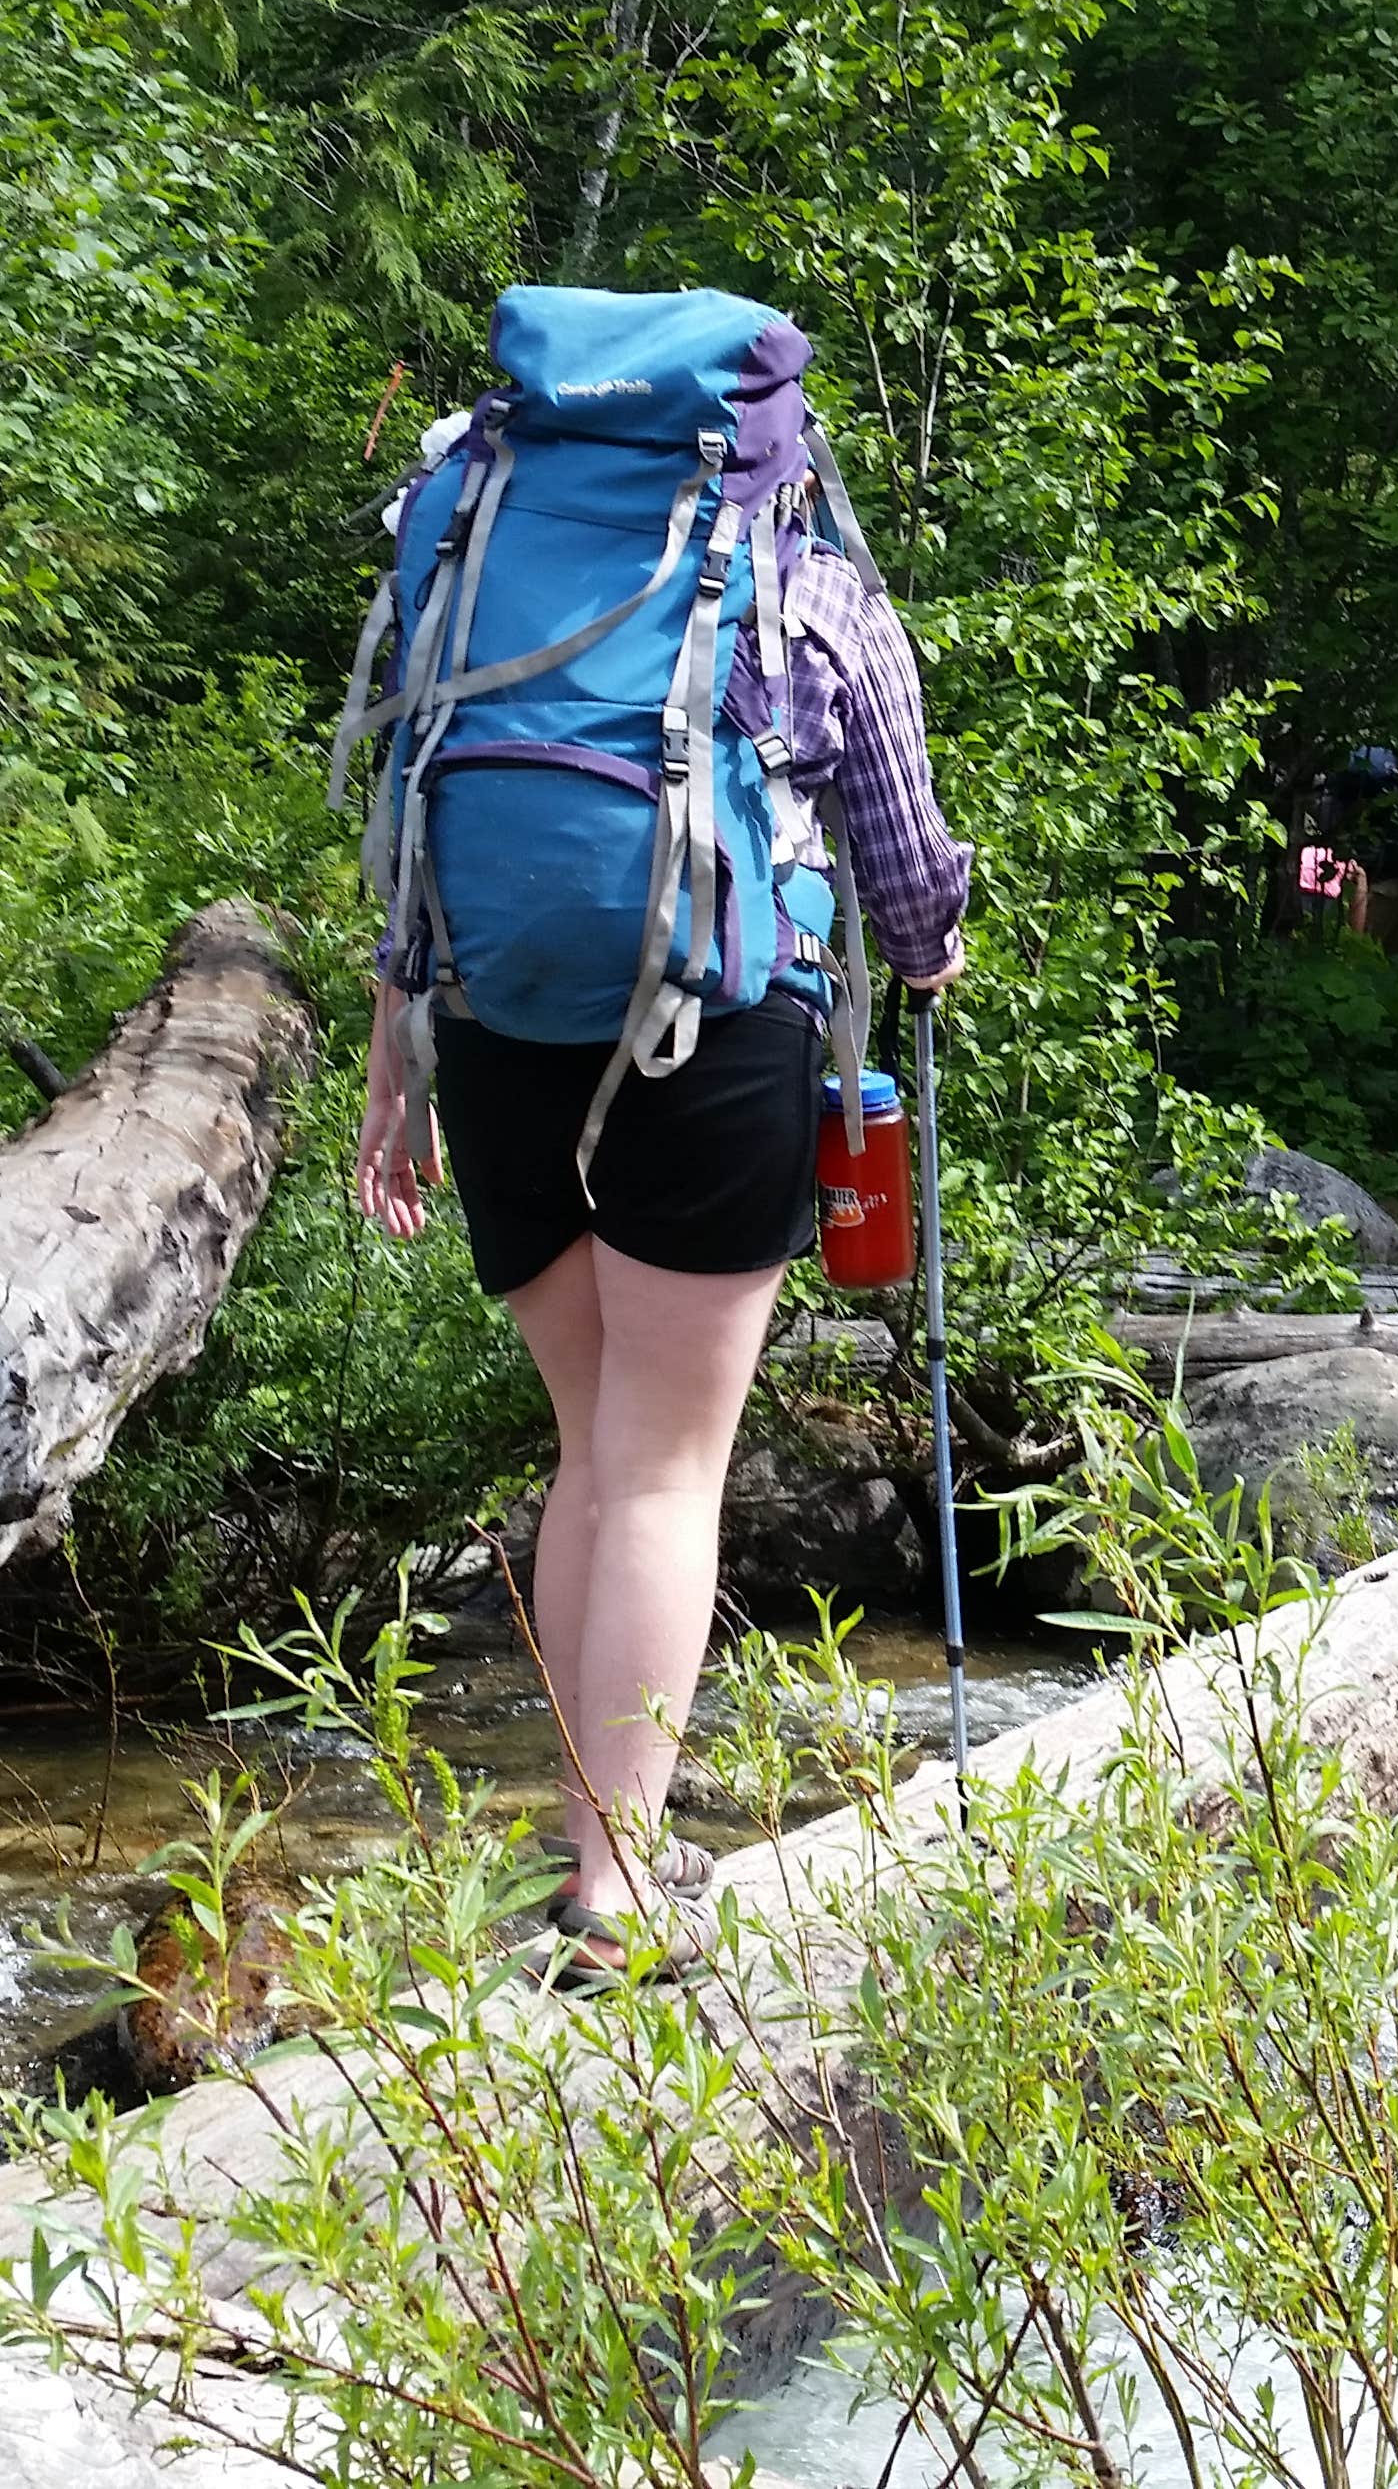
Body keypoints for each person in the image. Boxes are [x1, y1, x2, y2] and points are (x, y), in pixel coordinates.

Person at [348, 512, 969, 1971]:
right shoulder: (804, 582)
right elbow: (906, 856)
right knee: (663, 1473)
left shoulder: (479, 562)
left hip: (499, 1030)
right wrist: (931, 945)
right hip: (717, 1025)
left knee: (595, 1453)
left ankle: (591, 1841)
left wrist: (398, 1064)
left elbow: (407, 827)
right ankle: (616, 1884)